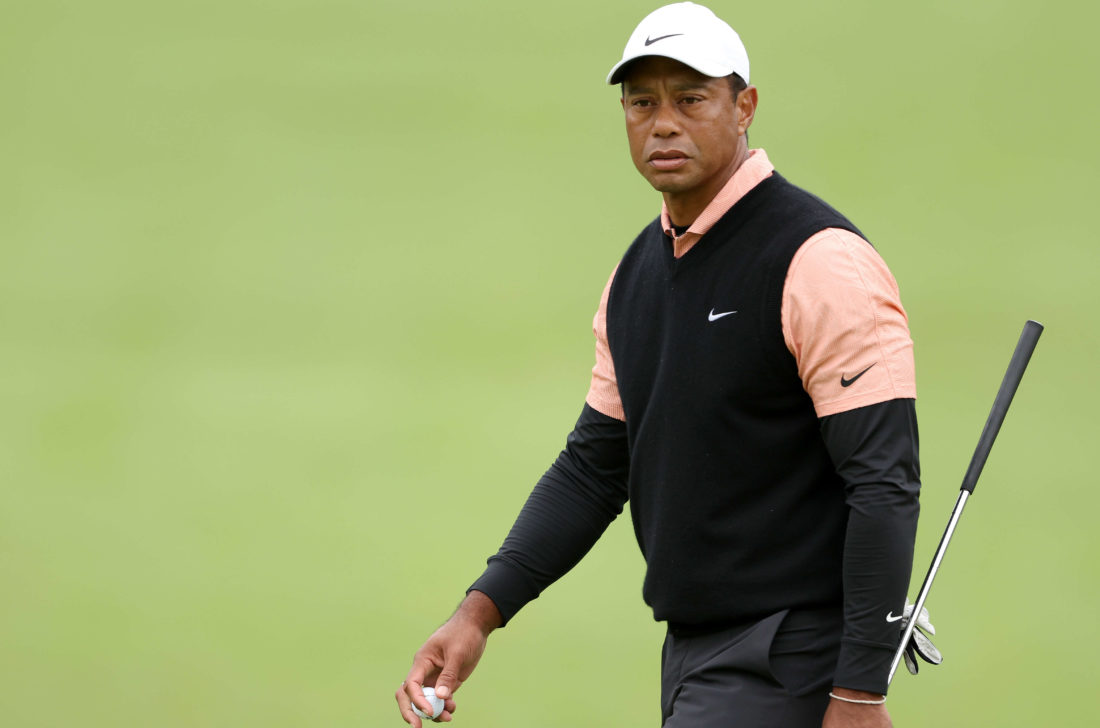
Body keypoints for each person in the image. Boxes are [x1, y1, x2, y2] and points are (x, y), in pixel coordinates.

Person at [396, 3, 920, 727]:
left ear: (745, 107)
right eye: (642, 102)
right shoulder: (638, 273)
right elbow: (595, 467)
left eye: (691, 99)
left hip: (791, 654)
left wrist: (860, 690)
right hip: (693, 659)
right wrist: (478, 614)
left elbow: (883, 481)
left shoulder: (818, 259)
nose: (663, 122)